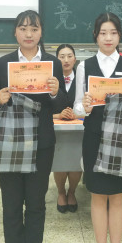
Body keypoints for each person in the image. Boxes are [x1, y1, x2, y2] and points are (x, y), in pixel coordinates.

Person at [0, 10, 66, 243]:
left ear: (41, 32)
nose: (28, 34)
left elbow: (62, 103)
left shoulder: (52, 63)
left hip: (41, 142)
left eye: (34, 29)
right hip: (9, 142)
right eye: (23, 29)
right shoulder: (3, 63)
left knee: (36, 204)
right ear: (15, 32)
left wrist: (55, 93)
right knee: (11, 205)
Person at [73, 12, 122, 243]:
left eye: (113, 33)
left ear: (120, 36)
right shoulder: (84, 66)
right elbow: (77, 107)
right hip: (93, 137)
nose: (108, 38)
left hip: (121, 138)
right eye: (103, 33)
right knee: (97, 195)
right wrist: (84, 107)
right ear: (95, 36)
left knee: (117, 196)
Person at [53, 43, 83, 214]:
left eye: (69, 56)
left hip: (79, 128)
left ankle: (72, 192)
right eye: (62, 56)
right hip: (56, 128)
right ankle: (60, 192)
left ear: (75, 59)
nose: (66, 60)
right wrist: (59, 115)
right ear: (56, 60)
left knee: (75, 162)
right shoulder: (51, 80)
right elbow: (43, 109)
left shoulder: (82, 79)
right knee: (60, 161)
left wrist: (76, 113)